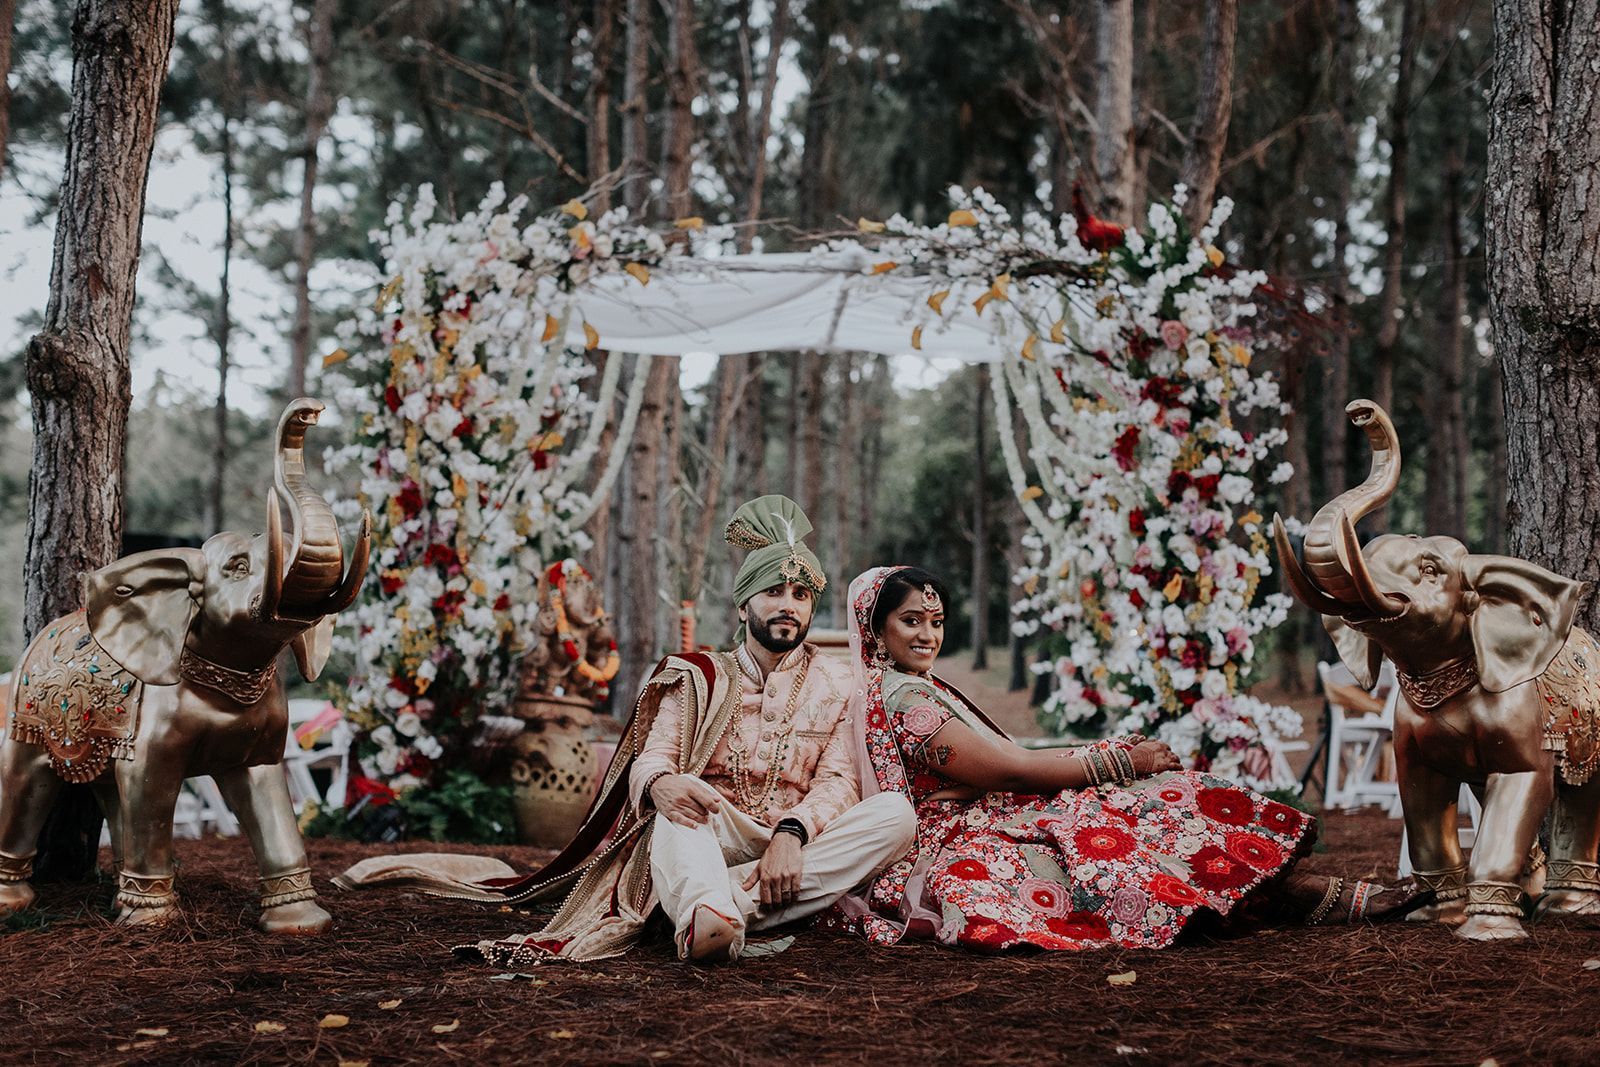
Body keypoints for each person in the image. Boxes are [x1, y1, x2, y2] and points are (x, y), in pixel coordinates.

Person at [408, 496, 914, 965]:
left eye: (801, 594)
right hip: (713, 830)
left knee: (895, 816)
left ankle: (713, 908)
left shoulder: (842, 680)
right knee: (680, 805)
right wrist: (660, 783)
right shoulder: (696, 675)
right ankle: (706, 903)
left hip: (794, 843)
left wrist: (792, 833)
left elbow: (841, 780)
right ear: (743, 605)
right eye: (773, 591)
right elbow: (652, 759)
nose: (788, 605)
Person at [830, 565, 1419, 951]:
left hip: (981, 813)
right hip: (950, 841)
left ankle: (1300, 892)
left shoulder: (914, 684)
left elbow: (1007, 759)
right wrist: (1120, 762)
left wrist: (1108, 757)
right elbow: (1010, 769)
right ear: (875, 630)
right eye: (911, 622)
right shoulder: (907, 699)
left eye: (936, 621)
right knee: (1130, 808)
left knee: (1133, 805)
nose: (928, 634)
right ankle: (1305, 896)